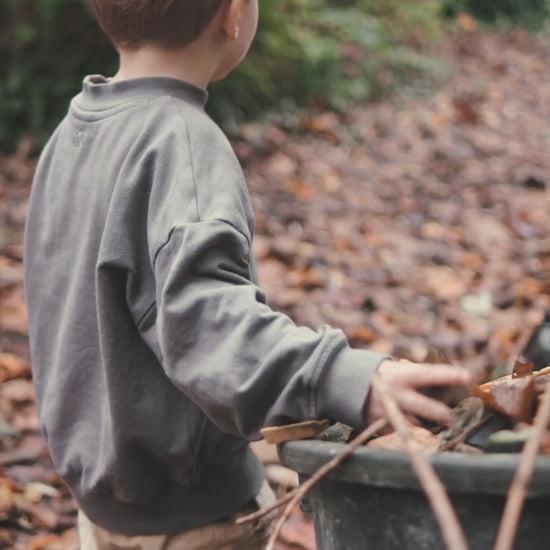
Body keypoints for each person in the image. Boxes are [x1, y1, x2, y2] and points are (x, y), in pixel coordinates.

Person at [23, 1, 472, 548]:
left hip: (102, 511)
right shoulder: (182, 143)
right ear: (233, 15)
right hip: (197, 524)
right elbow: (205, 321)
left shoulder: (75, 130)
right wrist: (343, 379)